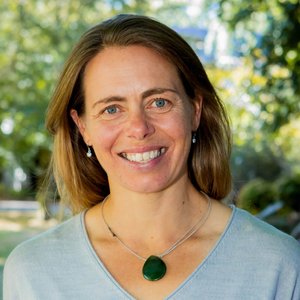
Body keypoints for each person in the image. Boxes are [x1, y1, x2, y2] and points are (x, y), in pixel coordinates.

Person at [3, 14, 300, 300]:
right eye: (111, 109)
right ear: (82, 127)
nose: (139, 128)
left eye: (159, 102)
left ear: (194, 111)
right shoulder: (32, 271)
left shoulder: (278, 265)